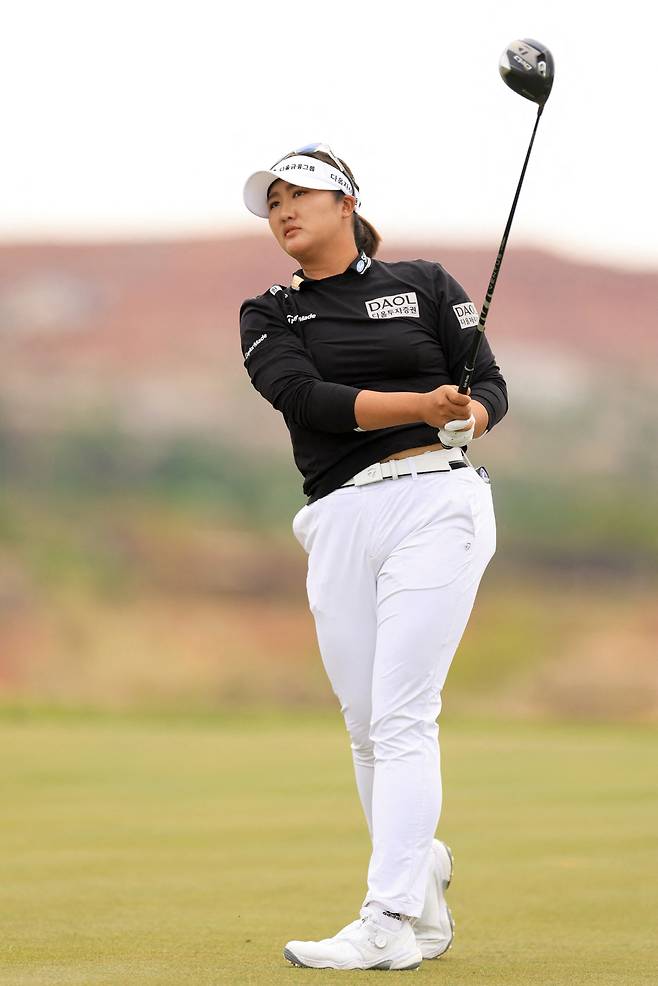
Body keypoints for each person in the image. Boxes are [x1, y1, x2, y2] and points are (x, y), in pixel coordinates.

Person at [240, 143, 507, 971]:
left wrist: (470, 420)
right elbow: (306, 402)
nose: (284, 211)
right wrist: (423, 402)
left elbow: (491, 386)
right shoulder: (269, 312)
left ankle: (387, 918)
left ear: (346, 203)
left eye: (301, 195)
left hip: (435, 501)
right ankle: (421, 880)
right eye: (274, 200)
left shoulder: (426, 284)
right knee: (366, 727)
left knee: (400, 717)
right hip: (338, 516)